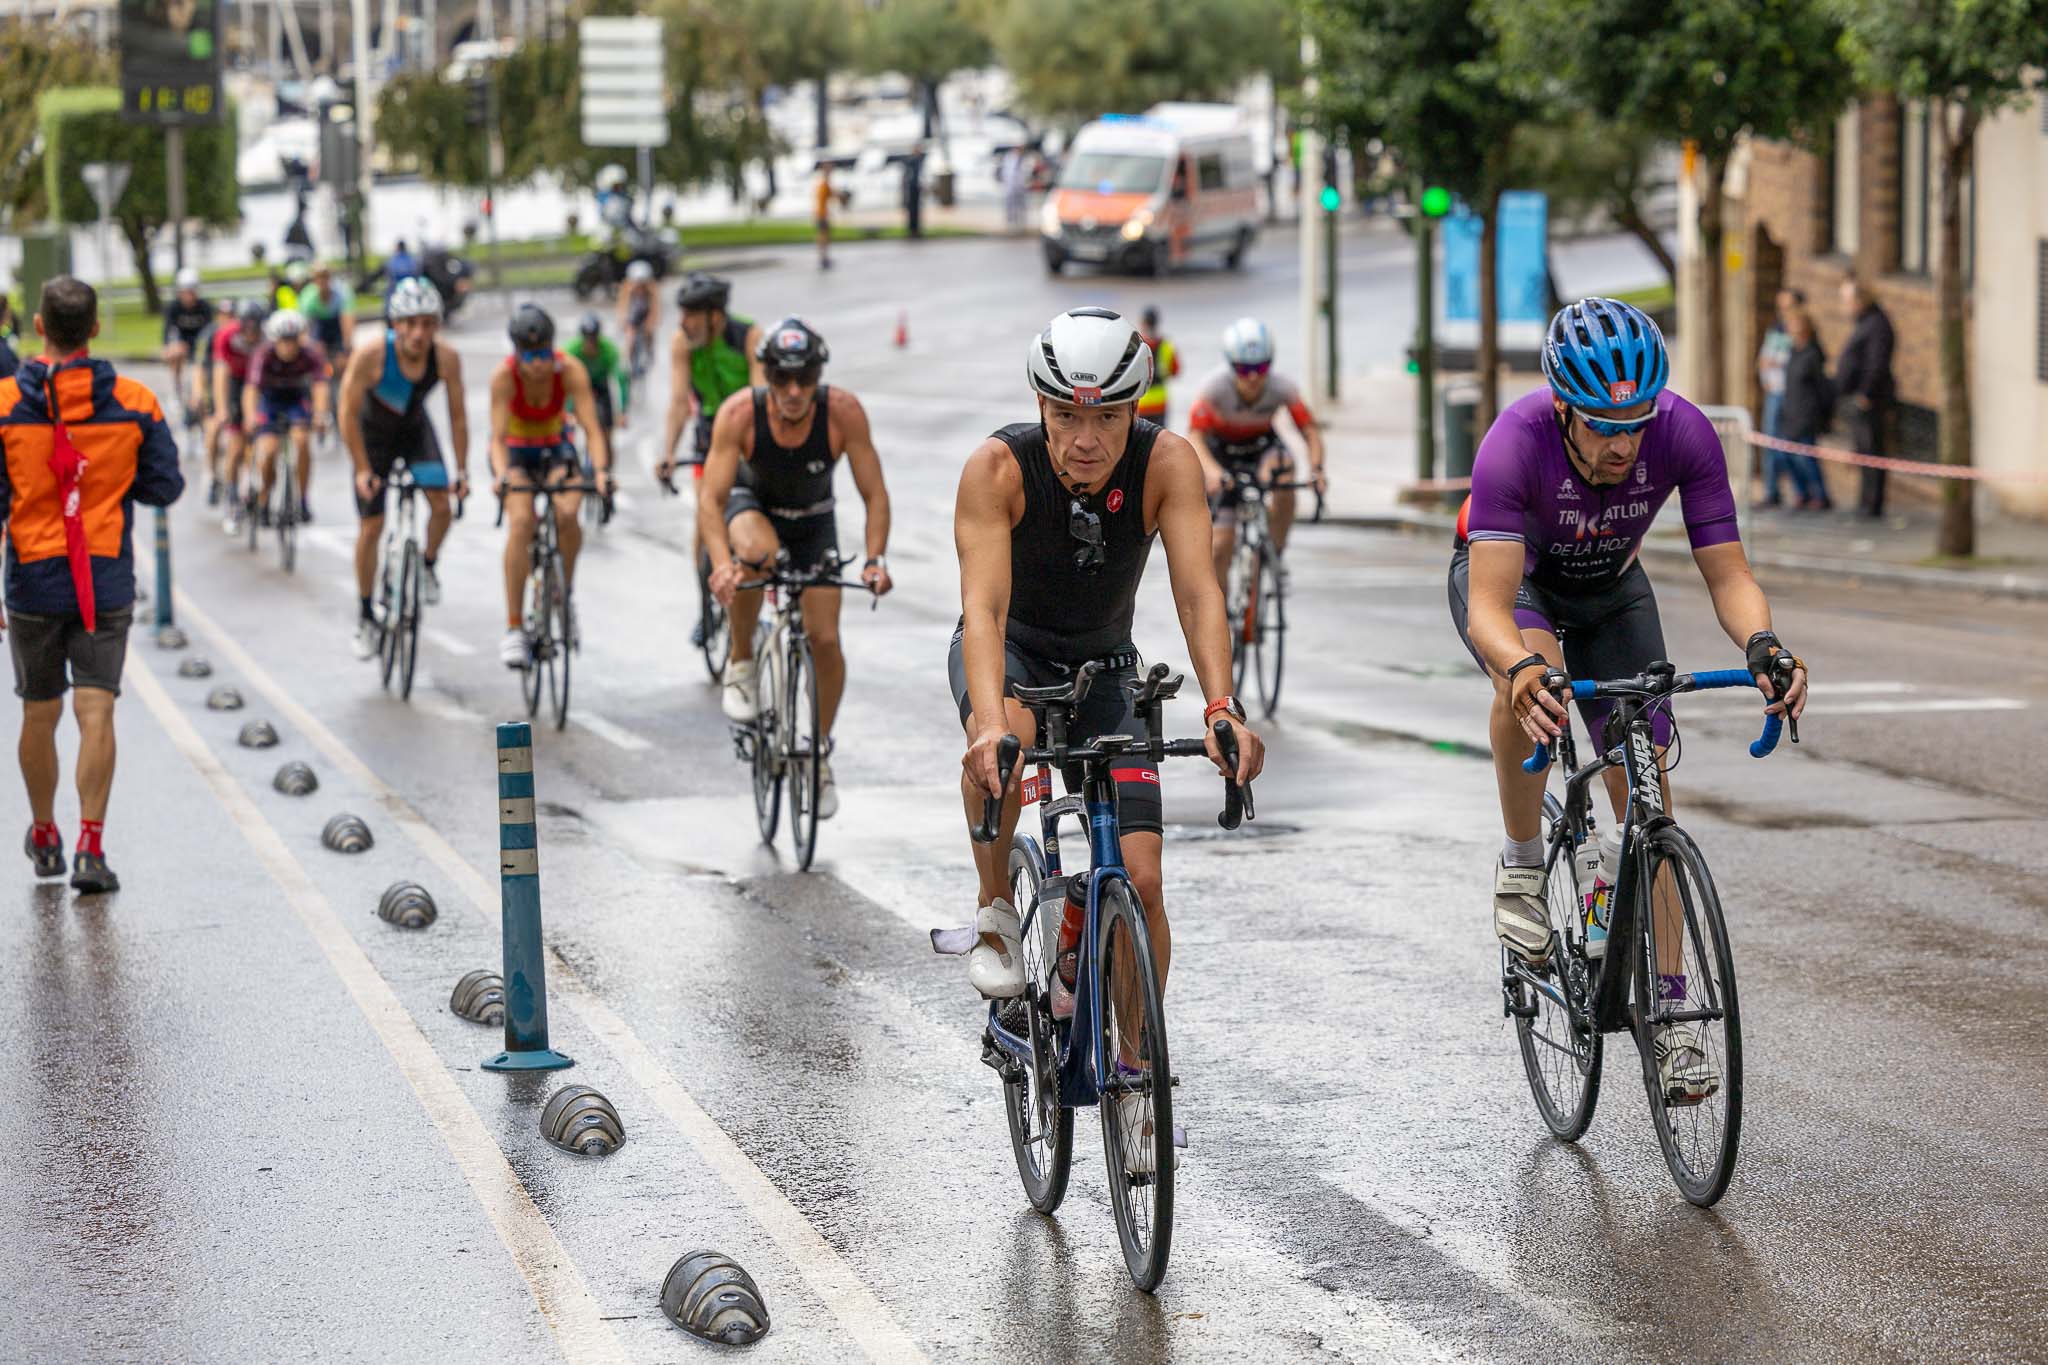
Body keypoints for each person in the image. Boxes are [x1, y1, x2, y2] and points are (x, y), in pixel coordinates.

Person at [1446, 296, 1809, 1104]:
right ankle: (1522, 864)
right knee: (1530, 693)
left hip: (1612, 592)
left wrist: (1763, 646)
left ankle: (1676, 1016)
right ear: (1565, 407)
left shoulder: (1683, 433)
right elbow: (1487, 611)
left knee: (1648, 794)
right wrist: (1517, 668)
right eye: (1605, 427)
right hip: (1520, 586)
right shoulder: (1515, 442)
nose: (1622, 443)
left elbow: (1730, 574)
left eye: (1636, 424)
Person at [952, 306, 1266, 1107]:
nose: (1085, 438)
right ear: (1041, 406)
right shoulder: (998, 470)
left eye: (1107, 419)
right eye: (1065, 416)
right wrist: (989, 721)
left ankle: (1134, 1061)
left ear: (1136, 411)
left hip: (1107, 666)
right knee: (1004, 748)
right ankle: (996, 912)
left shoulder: (1167, 466)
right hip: (1013, 652)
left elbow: (1199, 594)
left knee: (1146, 881)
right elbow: (983, 610)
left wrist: (1222, 705)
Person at [0, 277, 184, 893]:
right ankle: (90, 848)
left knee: (38, 709)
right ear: (97, 327)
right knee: (96, 706)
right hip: (103, 577)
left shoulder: (4, 404)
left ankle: (44, 832)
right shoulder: (134, 401)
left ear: (39, 326)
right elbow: (165, 486)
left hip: (31, 578)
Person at [699, 318, 892, 819]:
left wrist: (874, 559)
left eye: (804, 379)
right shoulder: (740, 413)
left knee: (825, 640)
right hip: (752, 510)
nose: (792, 391)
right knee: (755, 556)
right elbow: (710, 499)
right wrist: (721, 565)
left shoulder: (842, 412)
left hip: (813, 524)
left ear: (818, 376)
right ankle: (741, 661)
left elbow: (874, 493)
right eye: (780, 379)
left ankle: (816, 752)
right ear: (765, 374)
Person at [338, 278, 469, 660]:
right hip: (372, 438)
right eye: (410, 323)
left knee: (442, 505)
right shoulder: (372, 355)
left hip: (413, 431)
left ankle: (427, 564)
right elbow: (346, 412)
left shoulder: (446, 358)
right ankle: (365, 613)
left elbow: (457, 417)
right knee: (372, 526)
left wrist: (461, 470)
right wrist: (362, 468)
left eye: (428, 323)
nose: (419, 333)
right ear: (395, 325)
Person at [490, 305, 613, 668]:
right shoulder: (504, 377)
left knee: (569, 511)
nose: (539, 364)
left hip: (556, 450)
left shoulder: (570, 370)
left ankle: (562, 593)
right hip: (516, 454)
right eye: (530, 356)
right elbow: (496, 439)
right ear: (517, 354)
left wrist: (602, 472)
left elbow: (592, 428)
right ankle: (514, 627)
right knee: (522, 523)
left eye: (544, 353)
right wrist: (501, 476)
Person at [657, 273, 764, 646]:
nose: (683, 323)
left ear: (715, 317)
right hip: (710, 438)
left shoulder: (749, 337)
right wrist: (668, 452)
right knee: (706, 523)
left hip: (748, 435)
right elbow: (677, 403)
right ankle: (706, 606)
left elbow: (759, 395)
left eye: (691, 315)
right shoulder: (682, 343)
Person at [1186, 317, 1326, 592]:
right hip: (1222, 453)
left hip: (1261, 447)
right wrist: (1214, 473)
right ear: (1231, 365)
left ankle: (1276, 550)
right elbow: (1195, 437)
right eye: (1243, 368)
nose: (1252, 377)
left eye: (1261, 368)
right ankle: (1222, 618)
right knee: (1219, 549)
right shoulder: (1213, 388)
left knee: (1284, 470)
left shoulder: (1281, 387)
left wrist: (1317, 470)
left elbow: (1309, 431)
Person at [242, 308, 331, 526]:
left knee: (301, 441)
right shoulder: (263, 355)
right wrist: (250, 416)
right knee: (269, 450)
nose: (289, 346)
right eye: (284, 340)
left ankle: (302, 499)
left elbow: (320, 386)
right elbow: (251, 389)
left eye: (293, 340)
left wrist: (320, 414)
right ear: (275, 339)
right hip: (270, 402)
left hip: (296, 401)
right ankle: (264, 498)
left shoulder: (310, 353)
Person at [1835, 278, 1895, 519]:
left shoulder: (1876, 325)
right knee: (1862, 450)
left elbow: (1876, 363)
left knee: (1872, 450)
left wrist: (1865, 394)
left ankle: (1873, 503)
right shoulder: (1866, 323)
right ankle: (1865, 500)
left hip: (1870, 400)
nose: (1845, 306)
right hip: (1859, 397)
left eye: (1847, 300)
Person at [213, 298, 268, 534]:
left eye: (256, 330)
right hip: (236, 384)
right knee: (236, 445)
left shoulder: (268, 338)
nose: (252, 335)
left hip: (261, 385)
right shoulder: (227, 337)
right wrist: (222, 407)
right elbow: (220, 374)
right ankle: (232, 496)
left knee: (264, 440)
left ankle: (262, 491)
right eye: (248, 330)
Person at [1776, 303, 1835, 511]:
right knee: (1787, 457)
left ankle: (1821, 495)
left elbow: (1822, 388)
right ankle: (1802, 492)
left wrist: (1823, 415)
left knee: (1807, 458)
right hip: (1790, 411)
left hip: (1806, 414)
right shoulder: (1792, 353)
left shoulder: (1812, 355)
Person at [1753, 288, 1795, 507]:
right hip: (1773, 392)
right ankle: (1772, 491)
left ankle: (1800, 492)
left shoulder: (1798, 330)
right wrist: (1765, 375)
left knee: (1794, 445)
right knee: (1770, 442)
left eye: (1788, 306)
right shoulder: (1775, 329)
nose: (1783, 311)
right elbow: (1764, 359)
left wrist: (1776, 364)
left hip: (1792, 395)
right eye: (1781, 307)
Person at [567, 313, 628, 456]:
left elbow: (621, 379)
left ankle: (607, 461)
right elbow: (564, 382)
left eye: (593, 340)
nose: (590, 344)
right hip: (579, 386)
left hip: (601, 386)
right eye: (587, 340)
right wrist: (568, 411)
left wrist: (622, 411)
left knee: (607, 434)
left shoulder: (609, 350)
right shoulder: (571, 350)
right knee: (569, 426)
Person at [299, 262, 358, 406]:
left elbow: (347, 322)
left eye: (325, 277)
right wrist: (312, 346)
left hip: (337, 325)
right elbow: (304, 328)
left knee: (344, 364)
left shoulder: (342, 293)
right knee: (315, 362)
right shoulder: (308, 296)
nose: (322, 282)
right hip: (319, 327)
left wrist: (346, 347)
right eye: (318, 278)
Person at [160, 266, 212, 425]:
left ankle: (202, 395)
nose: (188, 296)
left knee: (203, 367)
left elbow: (211, 332)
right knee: (174, 352)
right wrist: (169, 347)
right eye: (185, 291)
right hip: (183, 346)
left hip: (201, 346)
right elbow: (167, 332)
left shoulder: (205, 307)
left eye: (191, 291)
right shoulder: (174, 307)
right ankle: (176, 390)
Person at [1136, 306, 1179, 427]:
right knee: (1160, 441)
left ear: (1143, 323)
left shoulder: (1137, 345)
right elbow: (1175, 371)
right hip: (1160, 403)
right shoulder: (1167, 345)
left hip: (1141, 403)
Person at [617, 259, 659, 380]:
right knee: (630, 335)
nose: (639, 286)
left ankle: (650, 352)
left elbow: (655, 307)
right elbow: (622, 305)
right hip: (633, 314)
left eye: (642, 283)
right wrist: (623, 320)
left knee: (649, 332)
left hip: (645, 312)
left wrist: (651, 323)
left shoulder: (652, 288)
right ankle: (626, 361)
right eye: (637, 283)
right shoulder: (627, 287)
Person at [900, 142, 927, 239]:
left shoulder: (919, 160)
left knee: (916, 210)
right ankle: (912, 230)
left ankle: (916, 230)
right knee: (912, 210)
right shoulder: (912, 161)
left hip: (916, 187)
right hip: (911, 187)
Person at [814, 164, 835, 270]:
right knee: (824, 236)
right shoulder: (824, 184)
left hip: (820, 214)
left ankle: (824, 257)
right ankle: (823, 258)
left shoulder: (822, 184)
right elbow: (833, 195)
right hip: (822, 214)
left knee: (824, 236)